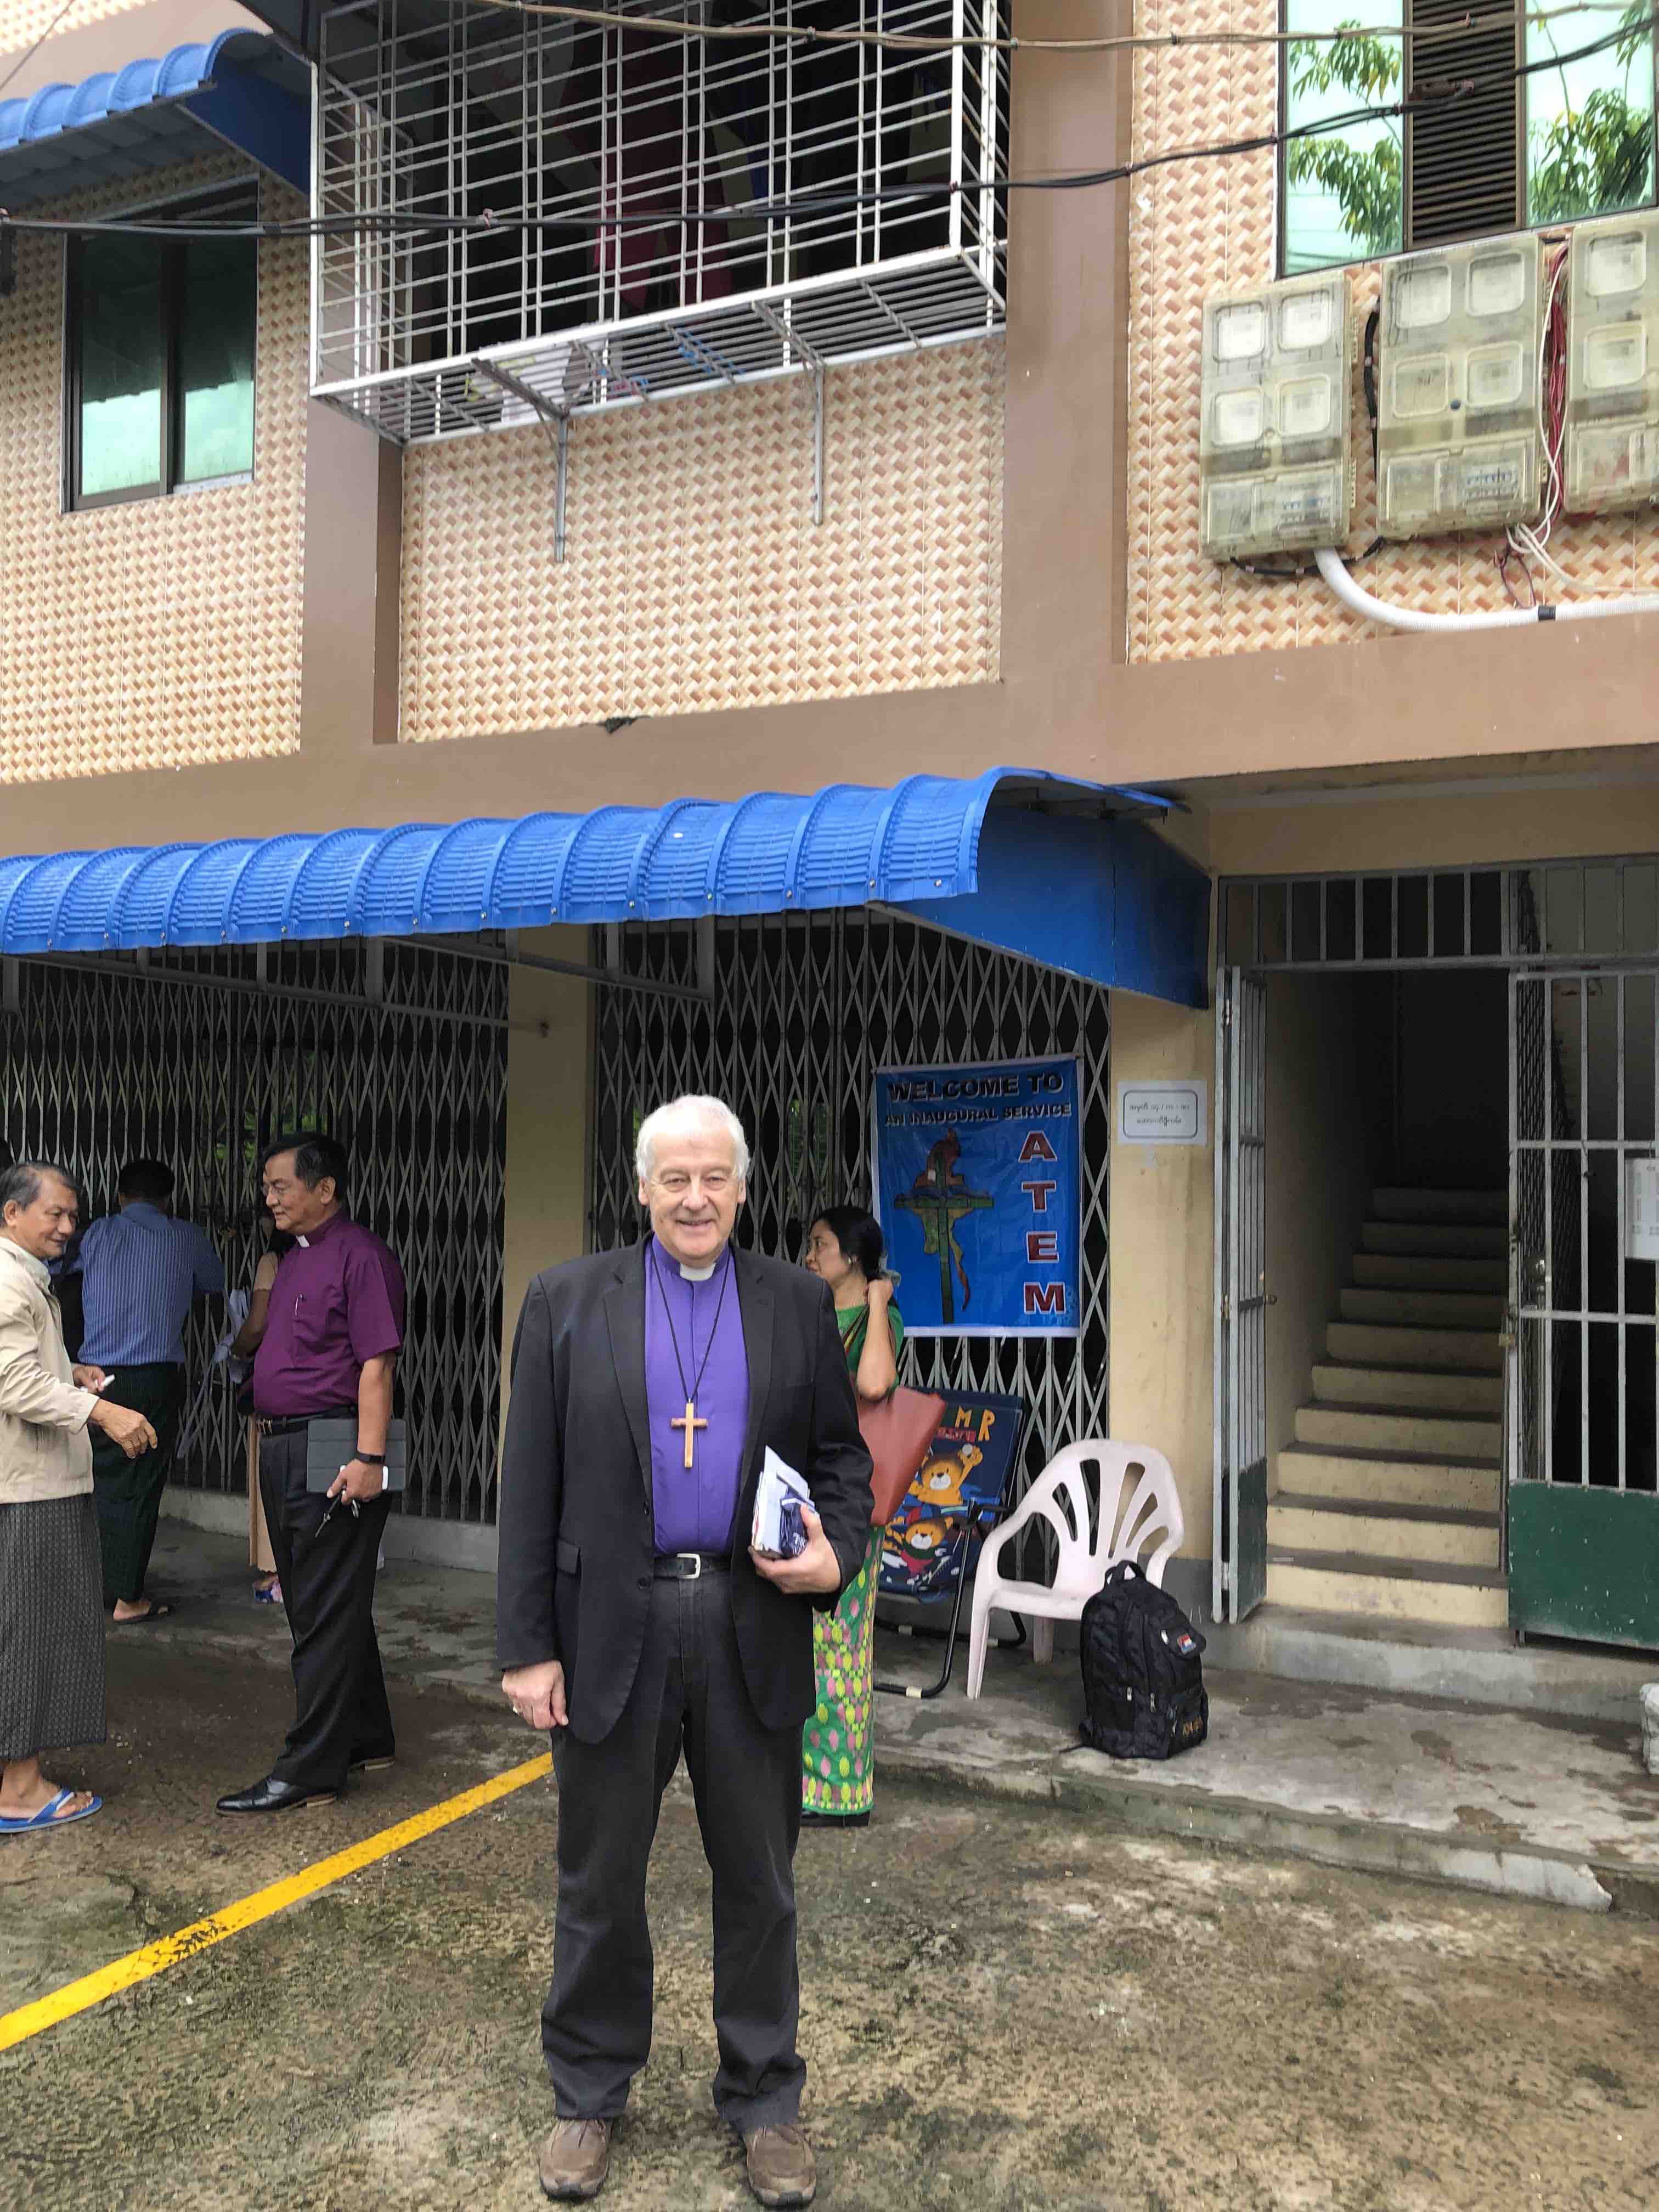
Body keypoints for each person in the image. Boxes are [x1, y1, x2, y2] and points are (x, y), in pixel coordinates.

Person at [498, 1094, 872, 2209]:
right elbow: (529, 1486)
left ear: (744, 1189)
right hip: (614, 1622)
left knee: (758, 1877)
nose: (696, 1198)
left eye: (715, 1178)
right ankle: (588, 2094)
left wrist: (837, 1558)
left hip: (748, 1620)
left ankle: (764, 2099)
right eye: (675, 1179)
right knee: (599, 1874)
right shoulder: (568, 1300)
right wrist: (528, 1648)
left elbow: (843, 1465)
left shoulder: (799, 1302)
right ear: (644, 1187)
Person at [216, 1135, 405, 1816]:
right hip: (285, 1442)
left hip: (336, 1443)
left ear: (325, 1189)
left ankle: (310, 1769)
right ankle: (366, 1736)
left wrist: (370, 1459)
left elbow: (376, 1367)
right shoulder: (293, 1259)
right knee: (321, 1603)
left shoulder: (362, 1257)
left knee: (321, 1610)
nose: (269, 1199)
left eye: (280, 1186)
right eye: (266, 1186)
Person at [0, 1164, 157, 1832]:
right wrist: (102, 1414)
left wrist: (74, 1373)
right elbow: (10, 1381)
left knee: (22, 1631)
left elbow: (30, 1368)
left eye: (74, 1216)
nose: (68, 1227)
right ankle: (20, 1790)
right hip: (30, 1492)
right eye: (54, 1214)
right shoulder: (10, 1279)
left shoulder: (23, 1274)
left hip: (30, 1486)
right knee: (34, 1636)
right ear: (12, 1213)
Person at [65, 1158, 225, 1624]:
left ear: (119, 1196)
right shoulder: (186, 1236)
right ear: (167, 1199)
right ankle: (126, 1598)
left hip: (94, 1375)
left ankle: (90, 1586)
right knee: (140, 1486)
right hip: (155, 1377)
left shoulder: (94, 1234)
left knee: (96, 1482)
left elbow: (61, 1269)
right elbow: (213, 1285)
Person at [800, 1205, 904, 1829]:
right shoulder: (804, 1309)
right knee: (802, 1645)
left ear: (854, 1260)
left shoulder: (880, 1320)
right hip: (801, 1493)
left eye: (821, 1246)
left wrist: (875, 1305)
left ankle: (842, 1791)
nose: (810, 1257)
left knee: (840, 1648)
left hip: (851, 1503)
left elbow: (873, 1387)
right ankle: (804, 1776)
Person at [230, 1225, 297, 1604]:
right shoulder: (334, 1260)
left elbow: (256, 1325)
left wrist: (237, 1348)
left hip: (275, 1382)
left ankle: (278, 1570)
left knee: (271, 1475)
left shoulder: (273, 1262)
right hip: (322, 1388)